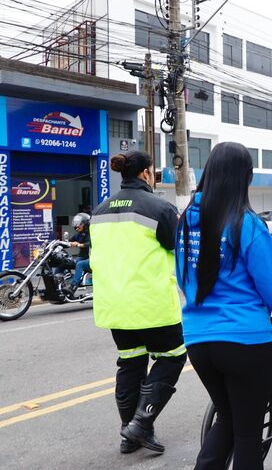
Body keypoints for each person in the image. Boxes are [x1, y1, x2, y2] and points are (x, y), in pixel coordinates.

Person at [177, 142, 272, 468]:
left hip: (198, 341)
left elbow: (184, 279)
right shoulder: (246, 224)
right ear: (245, 178)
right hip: (244, 342)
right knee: (248, 434)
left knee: (227, 418)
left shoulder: (185, 222)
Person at [90, 151, 185, 454]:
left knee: (130, 363)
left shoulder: (99, 211)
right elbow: (177, 248)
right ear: (145, 173)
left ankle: (129, 435)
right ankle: (141, 424)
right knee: (173, 356)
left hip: (114, 304)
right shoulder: (160, 208)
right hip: (150, 302)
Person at [68, 212, 91, 292]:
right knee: (67, 262)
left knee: (80, 264)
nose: (77, 226)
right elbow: (70, 241)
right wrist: (58, 243)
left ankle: (73, 286)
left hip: (91, 257)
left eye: (80, 224)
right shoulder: (79, 234)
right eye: (77, 224)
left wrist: (79, 245)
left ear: (86, 224)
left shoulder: (91, 233)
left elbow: (90, 243)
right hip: (83, 257)